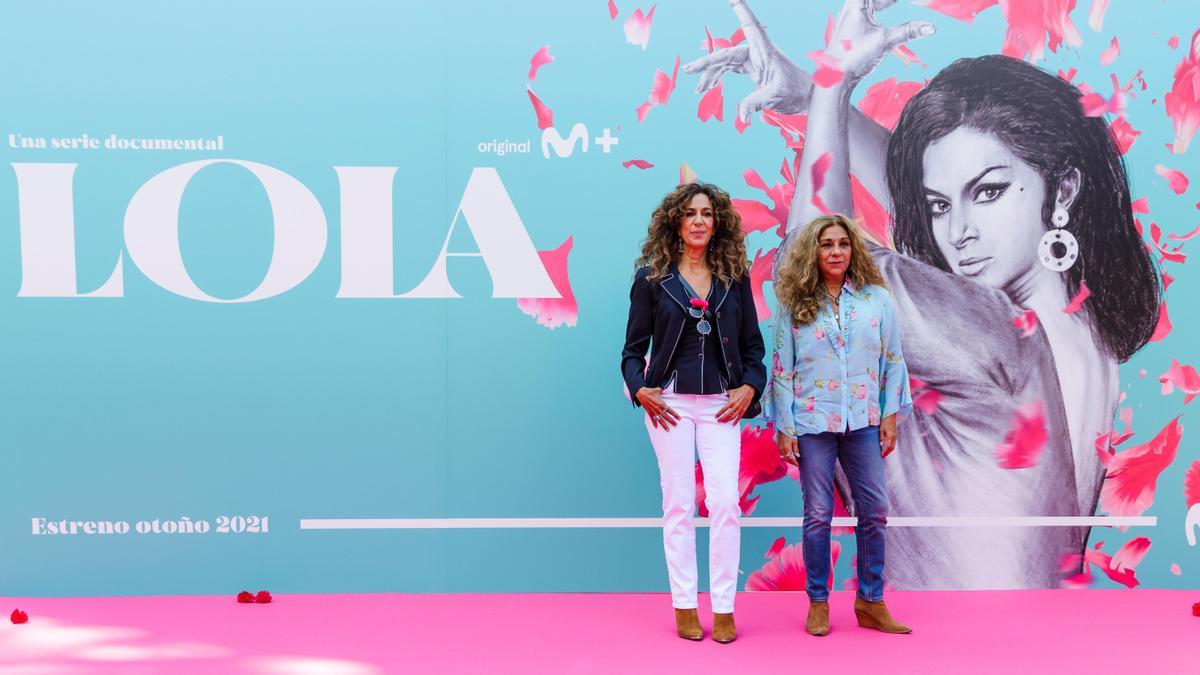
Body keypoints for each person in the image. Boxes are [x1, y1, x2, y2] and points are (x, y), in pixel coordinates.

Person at [686, 0, 1160, 589]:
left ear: (1062, 186)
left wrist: (834, 86)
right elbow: (949, 192)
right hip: (1027, 635)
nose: (957, 232)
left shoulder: (1001, 334)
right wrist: (814, 97)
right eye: (942, 206)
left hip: (945, 638)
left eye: (987, 194)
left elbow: (817, 262)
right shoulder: (1083, 316)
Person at [621, 182, 767, 643]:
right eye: (690, 213)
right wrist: (641, 390)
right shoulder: (651, 279)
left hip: (722, 405)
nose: (699, 220)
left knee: (725, 503)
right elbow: (631, 351)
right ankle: (686, 605)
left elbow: (753, 349)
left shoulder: (734, 278)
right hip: (671, 406)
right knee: (679, 505)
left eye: (706, 213)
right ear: (675, 223)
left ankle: (723, 607)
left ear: (717, 221)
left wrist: (750, 387)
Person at [769, 213, 912, 635]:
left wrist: (889, 416)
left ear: (853, 250)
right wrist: (785, 425)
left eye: (843, 244)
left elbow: (892, 360)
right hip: (812, 421)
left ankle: (871, 600)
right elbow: (781, 368)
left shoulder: (876, 300)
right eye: (827, 244)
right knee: (817, 513)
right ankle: (818, 602)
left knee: (875, 510)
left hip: (864, 421)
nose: (835, 251)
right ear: (814, 251)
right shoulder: (794, 303)